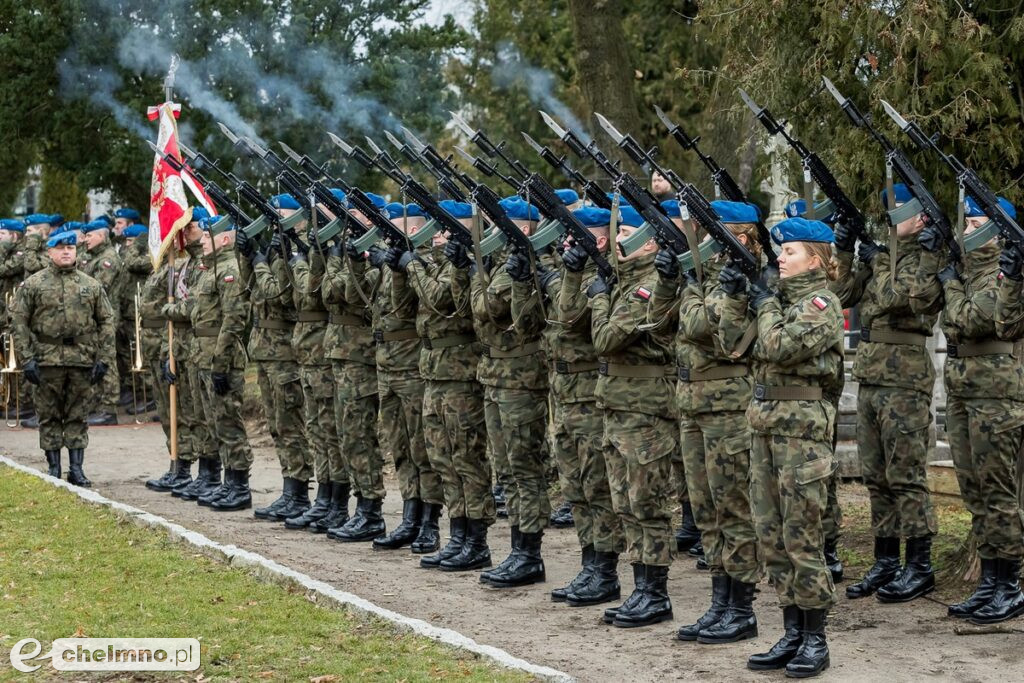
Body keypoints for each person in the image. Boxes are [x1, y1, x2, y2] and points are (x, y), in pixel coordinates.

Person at [718, 216, 842, 677]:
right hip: (766, 430)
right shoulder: (778, 300)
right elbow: (734, 344)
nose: (779, 259)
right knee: (771, 538)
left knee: (802, 538)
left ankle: (815, 639)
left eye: (788, 253)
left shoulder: (820, 303)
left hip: (801, 435)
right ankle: (791, 632)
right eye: (779, 253)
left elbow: (775, 345)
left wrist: (764, 302)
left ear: (815, 258)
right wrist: (737, 298)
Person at [650, 200, 764, 644]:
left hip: (726, 406)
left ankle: (742, 606)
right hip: (692, 404)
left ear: (736, 235)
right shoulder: (702, 273)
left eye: (705, 228)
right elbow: (660, 327)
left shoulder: (743, 277)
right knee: (705, 509)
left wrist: (690, 284)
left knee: (733, 507)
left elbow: (701, 327)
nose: (693, 232)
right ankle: (720, 602)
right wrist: (666, 282)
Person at [833, 184, 941, 603]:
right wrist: (845, 252)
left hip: (905, 381)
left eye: (901, 211)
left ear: (921, 216)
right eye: (888, 211)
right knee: (875, 476)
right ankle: (885, 560)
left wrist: (877, 260)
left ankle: (920, 564)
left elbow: (905, 299)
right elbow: (842, 294)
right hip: (872, 378)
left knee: (906, 475)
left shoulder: (927, 255)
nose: (893, 218)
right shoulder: (882, 255)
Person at [926, 196, 1024, 624]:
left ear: (996, 230)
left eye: (974, 223)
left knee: (999, 493)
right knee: (974, 490)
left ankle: (1011, 584)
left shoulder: (1007, 273)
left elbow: (969, 318)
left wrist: (950, 281)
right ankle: (989, 582)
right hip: (964, 391)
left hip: (997, 395)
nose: (965, 231)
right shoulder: (971, 272)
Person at [390, 199, 494, 569]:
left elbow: (440, 301)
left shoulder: (469, 264)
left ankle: (477, 540)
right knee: (442, 458)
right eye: (441, 227)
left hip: (459, 374)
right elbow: (403, 308)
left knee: (467, 457)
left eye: (450, 228)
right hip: (432, 371)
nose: (442, 234)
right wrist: (402, 270)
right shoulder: (440, 262)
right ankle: (458, 533)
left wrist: (414, 265)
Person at [589, 207, 678, 628]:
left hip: (645, 409)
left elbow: (606, 338)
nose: (617, 238)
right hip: (618, 407)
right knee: (625, 502)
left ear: (650, 243)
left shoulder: (650, 287)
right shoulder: (627, 282)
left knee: (647, 503)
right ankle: (640, 588)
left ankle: (654, 593)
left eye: (625, 231)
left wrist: (600, 296)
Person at [532, 204, 623, 605]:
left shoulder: (603, 279)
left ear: (596, 240)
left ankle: (605, 570)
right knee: (575, 486)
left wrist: (567, 275)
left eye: (574, 236)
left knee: (596, 484)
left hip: (589, 394)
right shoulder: (578, 275)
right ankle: (589, 564)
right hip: (564, 392)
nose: (565, 244)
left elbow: (570, 316)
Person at [459, 196, 550, 587]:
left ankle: (529, 553)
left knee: (524, 468)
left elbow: (489, 308)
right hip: (495, 372)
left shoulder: (531, 265)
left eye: (503, 226)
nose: (493, 233)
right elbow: (473, 306)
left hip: (520, 376)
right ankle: (518, 550)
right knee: (507, 471)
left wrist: (490, 276)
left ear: (524, 229)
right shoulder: (500, 262)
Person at [10, 230, 115, 487]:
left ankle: (77, 469)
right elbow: (19, 322)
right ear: (49, 252)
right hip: (46, 360)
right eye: (60, 247)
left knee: (78, 415)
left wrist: (104, 359)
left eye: (70, 247)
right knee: (49, 415)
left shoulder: (90, 285)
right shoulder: (34, 284)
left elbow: (106, 321)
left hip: (81, 359)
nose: (66, 251)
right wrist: (27, 359)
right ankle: (54, 467)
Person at [166, 215, 253, 511]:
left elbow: (233, 320)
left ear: (224, 239)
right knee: (215, 422)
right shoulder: (209, 270)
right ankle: (227, 483)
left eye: (207, 237)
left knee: (229, 422)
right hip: (202, 353)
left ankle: (239, 486)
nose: (201, 240)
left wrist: (220, 362)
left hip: (220, 356)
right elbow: (196, 311)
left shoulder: (229, 270)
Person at [321, 191, 388, 542]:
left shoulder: (380, 251)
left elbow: (355, 295)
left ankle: (371, 510)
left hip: (361, 356)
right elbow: (328, 292)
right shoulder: (347, 245)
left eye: (357, 213)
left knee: (360, 435)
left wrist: (359, 265)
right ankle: (358, 505)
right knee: (346, 434)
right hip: (341, 353)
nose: (350, 218)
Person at [235, 223, 310, 522]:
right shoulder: (275, 249)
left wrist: (261, 262)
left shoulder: (295, 251)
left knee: (291, 424)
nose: (278, 218)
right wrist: (248, 256)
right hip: (265, 351)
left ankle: (299, 492)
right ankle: (289, 489)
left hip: (284, 352)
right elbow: (248, 289)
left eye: (284, 214)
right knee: (277, 426)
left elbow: (276, 294)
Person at [79, 219, 124, 426]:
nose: (85, 239)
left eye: (89, 236)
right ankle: (98, 404)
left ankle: (109, 408)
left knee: (107, 360)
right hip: (92, 318)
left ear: (101, 236)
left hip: (105, 318)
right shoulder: (93, 257)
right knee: (95, 360)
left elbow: (98, 287)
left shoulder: (108, 259)